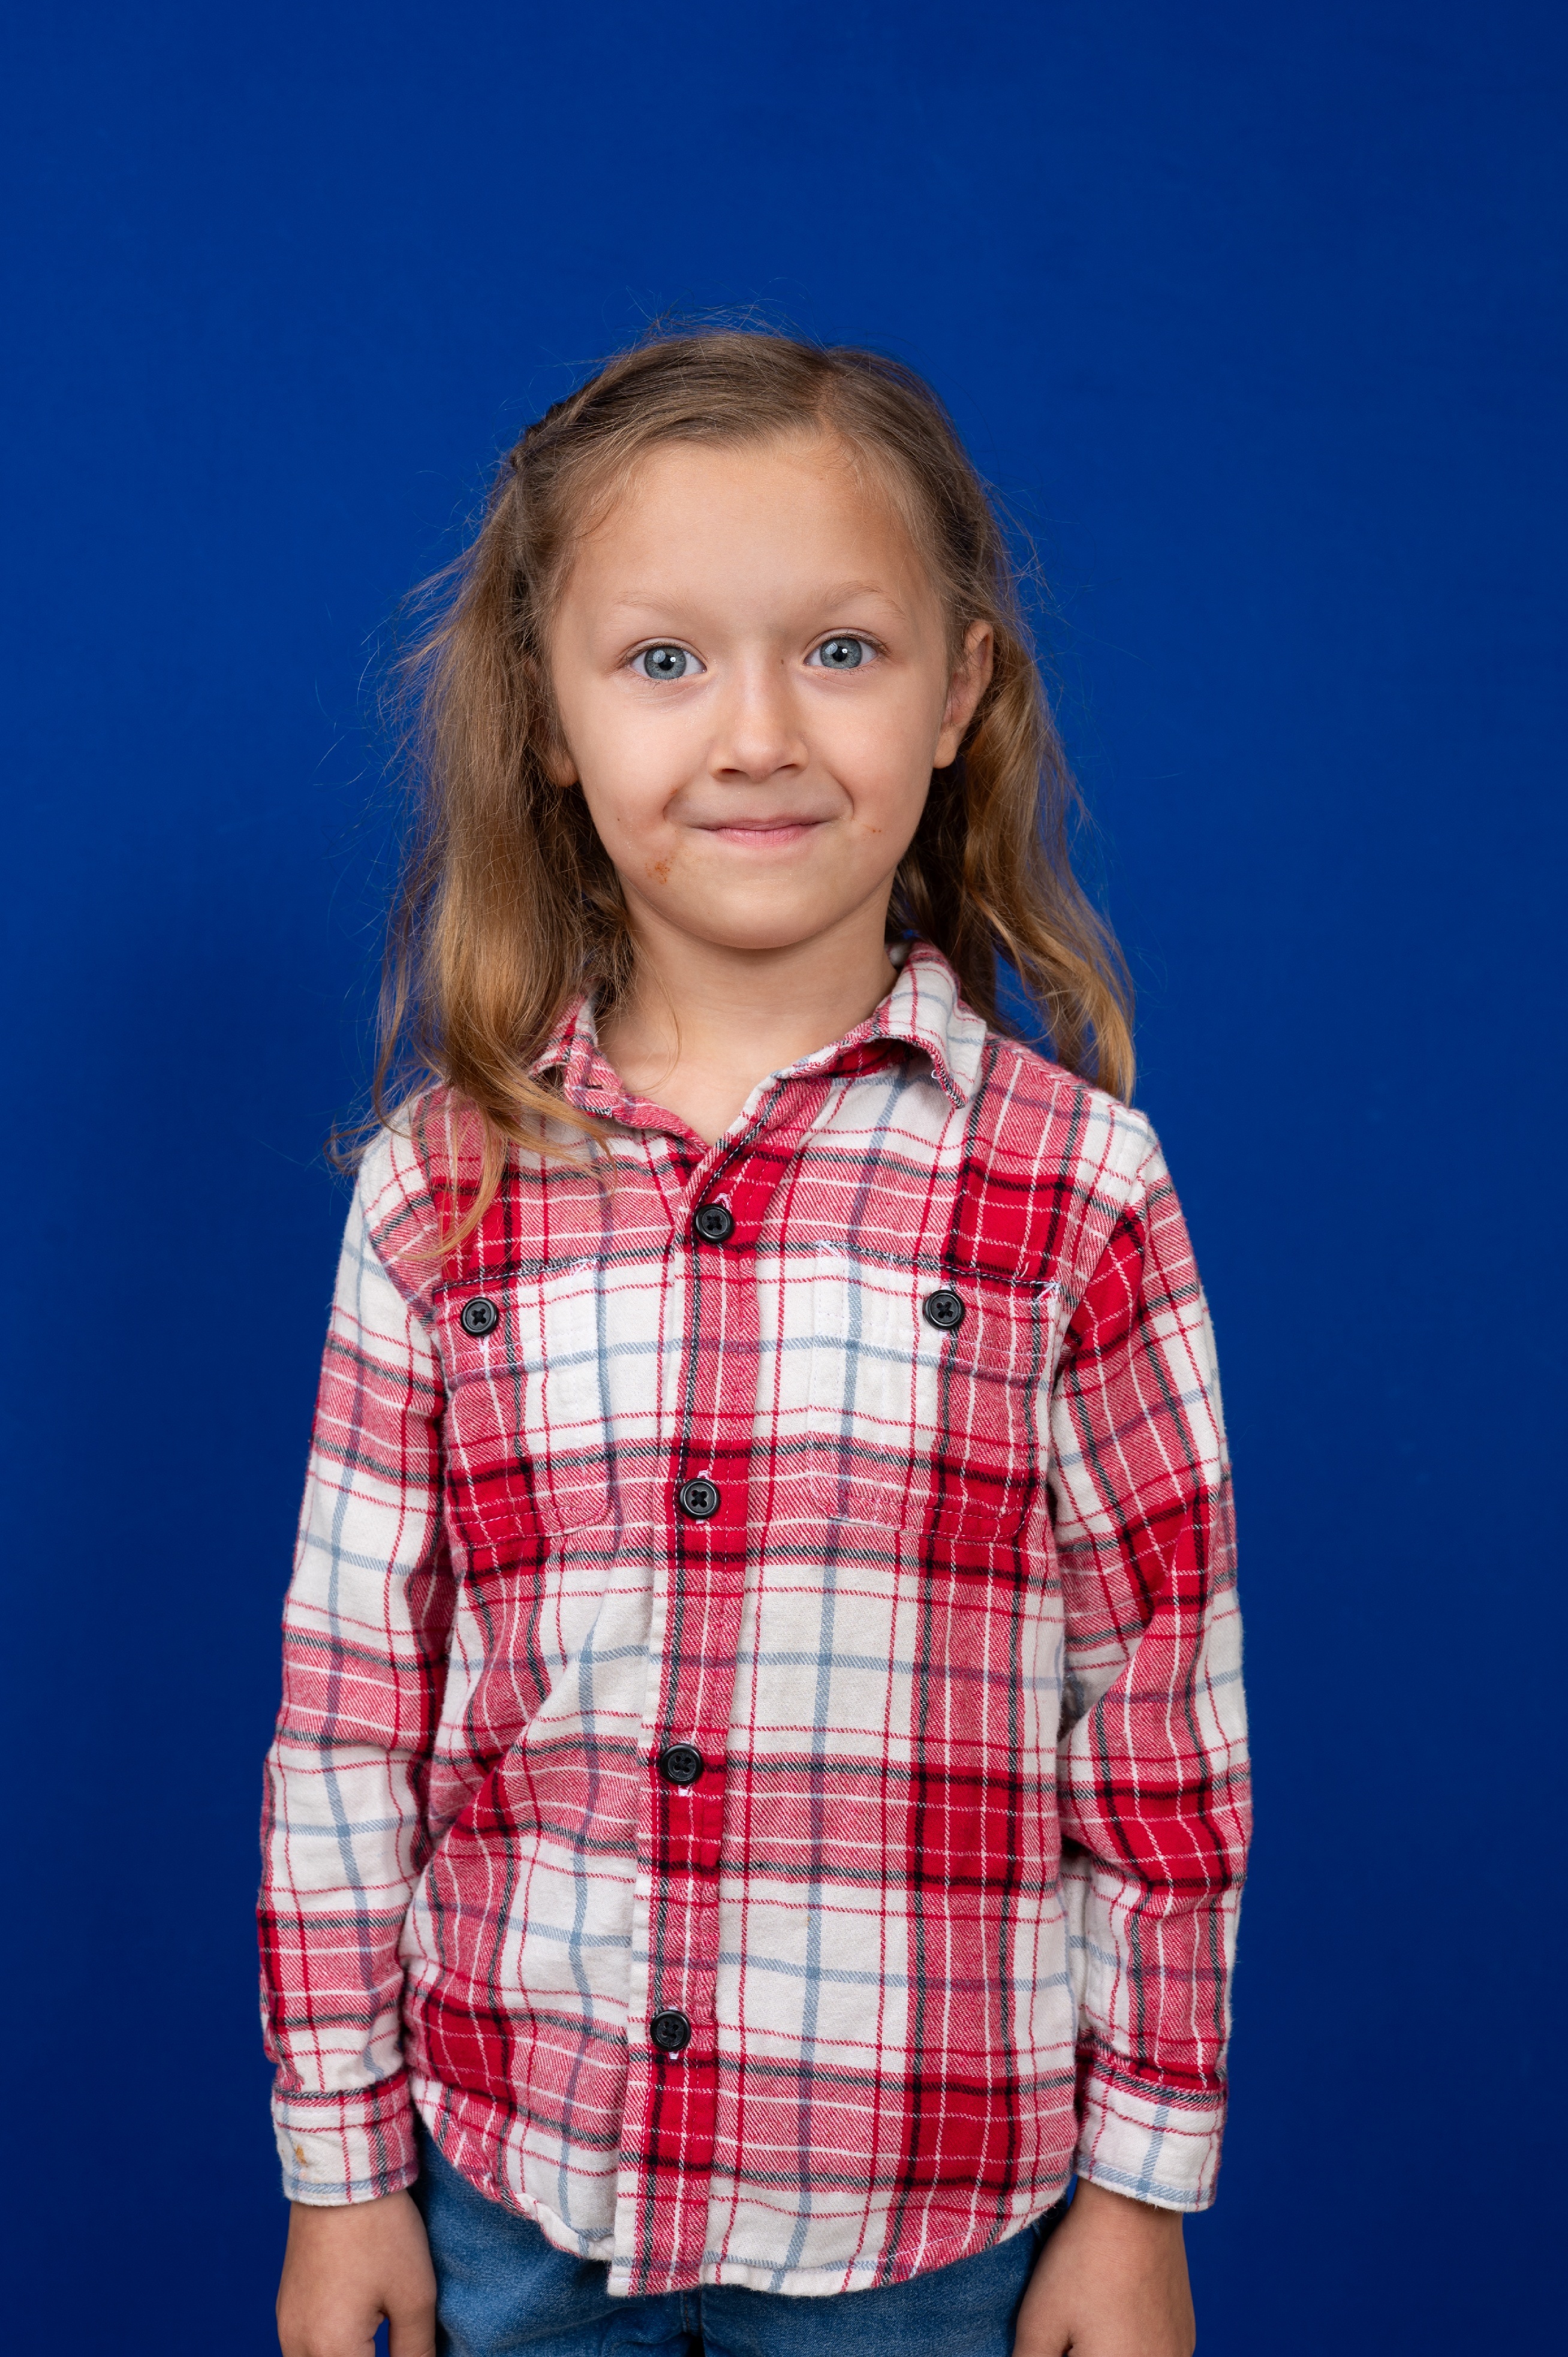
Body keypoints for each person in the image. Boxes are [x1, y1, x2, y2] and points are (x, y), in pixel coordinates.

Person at [261, 329, 1250, 2357]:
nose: (758, 736)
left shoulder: (1078, 1187)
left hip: (934, 2229)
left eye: (842, 650)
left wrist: (1142, 2193)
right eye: (664, 660)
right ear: (548, 713)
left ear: (960, 688)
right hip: (516, 2200)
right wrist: (339, 2168)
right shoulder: (440, 1190)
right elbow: (353, 1717)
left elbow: (1162, 1728)